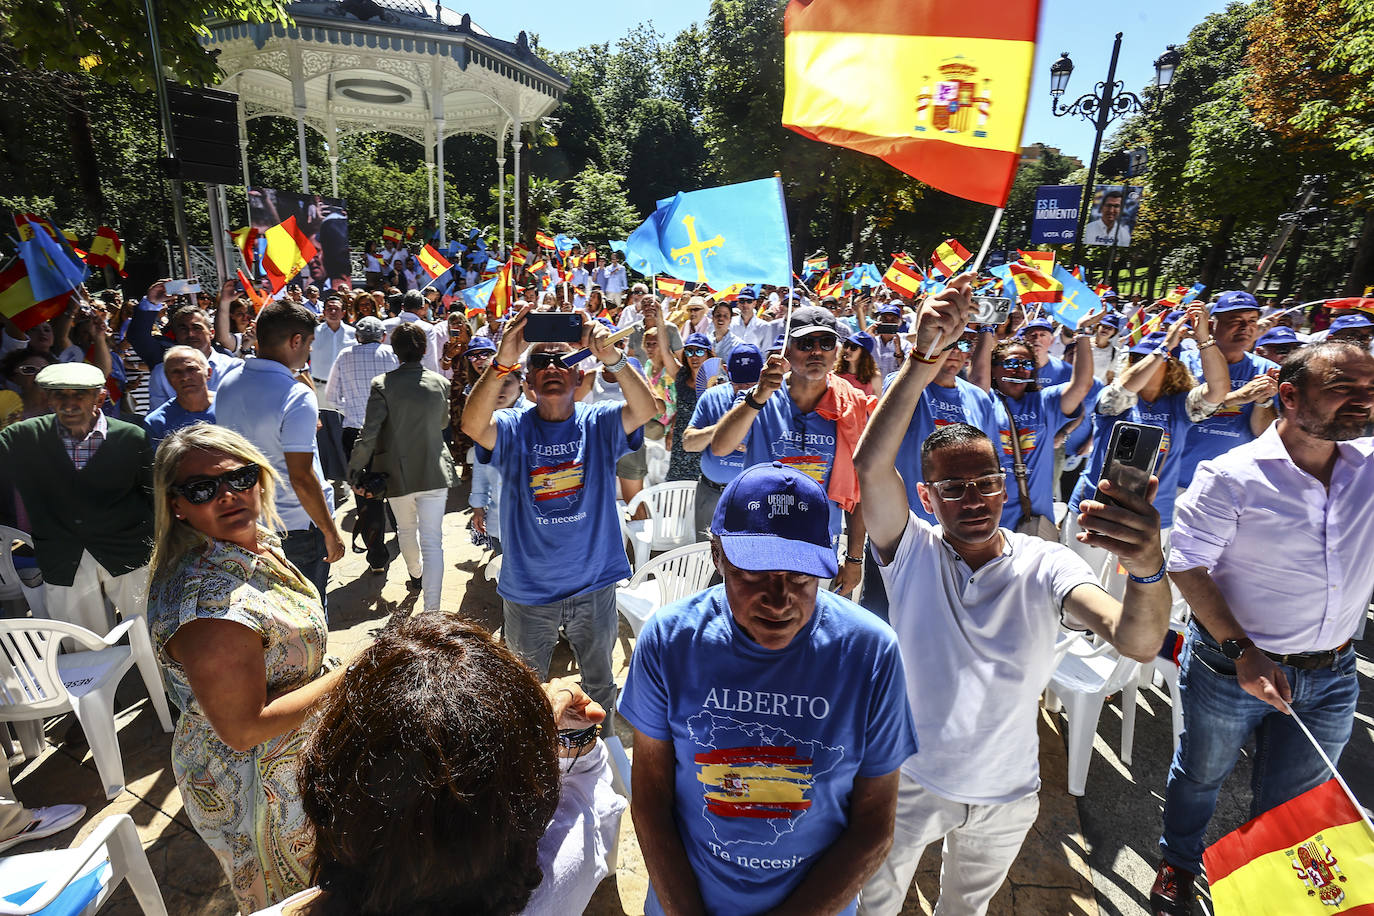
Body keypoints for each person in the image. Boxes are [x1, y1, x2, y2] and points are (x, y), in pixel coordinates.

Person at [852, 275, 1172, 916]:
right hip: (907, 783)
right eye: (954, 488)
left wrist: (1146, 566)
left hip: (1007, 795)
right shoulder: (911, 551)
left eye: (987, 483)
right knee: (876, 906)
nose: (973, 500)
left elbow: (1136, 640)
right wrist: (922, 362)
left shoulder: (1045, 564)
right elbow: (868, 466)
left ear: (1004, 487)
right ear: (926, 497)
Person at [621, 461, 919, 916]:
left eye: (800, 577)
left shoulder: (871, 653)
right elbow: (650, 800)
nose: (779, 601)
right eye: (753, 575)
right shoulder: (670, 640)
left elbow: (875, 826)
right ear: (717, 556)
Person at [1148, 341, 1374, 915]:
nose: (1362, 401)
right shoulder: (1231, 476)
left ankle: (1272, 893)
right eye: (1343, 388)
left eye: (1370, 390)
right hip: (1232, 668)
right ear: (1290, 397)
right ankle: (1178, 860)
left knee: (1295, 801)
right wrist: (1243, 650)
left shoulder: (1369, 467)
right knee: (1201, 775)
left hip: (1333, 672)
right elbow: (1186, 566)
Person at [250, 614, 625, 916]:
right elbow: (590, 788)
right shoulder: (560, 878)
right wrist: (560, 724)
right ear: (527, 805)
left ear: (328, 789)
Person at [146, 424, 343, 914]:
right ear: (177, 504)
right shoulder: (209, 606)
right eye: (202, 488)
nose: (228, 495)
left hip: (293, 763)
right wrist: (356, 672)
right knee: (292, 901)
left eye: (239, 477)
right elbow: (243, 729)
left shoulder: (248, 544)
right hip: (258, 793)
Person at [461, 304, 657, 723]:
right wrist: (502, 359)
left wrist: (613, 359)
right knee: (524, 692)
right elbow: (473, 426)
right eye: (540, 362)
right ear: (528, 381)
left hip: (594, 586)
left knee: (600, 685)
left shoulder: (600, 422)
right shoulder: (512, 427)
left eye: (561, 360)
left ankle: (598, 763)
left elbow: (646, 410)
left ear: (579, 375)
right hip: (530, 592)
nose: (551, 367)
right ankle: (532, 770)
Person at [711, 305, 871, 597]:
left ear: (836, 352)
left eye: (826, 343)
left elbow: (859, 491)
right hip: (756, 545)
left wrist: (854, 559)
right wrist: (757, 398)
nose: (816, 352)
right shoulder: (761, 396)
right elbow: (721, 446)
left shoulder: (853, 406)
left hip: (817, 549)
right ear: (786, 350)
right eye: (806, 343)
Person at [1064, 310, 1234, 584]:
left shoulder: (1180, 405)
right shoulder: (1114, 399)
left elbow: (1218, 389)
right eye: (1136, 357)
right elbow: (1125, 387)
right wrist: (1164, 347)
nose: (1140, 363)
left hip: (1148, 516)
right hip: (1096, 507)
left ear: (1173, 365)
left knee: (1126, 591)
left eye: (1149, 358)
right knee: (1080, 582)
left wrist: (1204, 339)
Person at [0, 362, 153, 633]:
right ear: (48, 398)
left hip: (128, 552)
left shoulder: (131, 436)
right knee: (82, 648)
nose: (69, 403)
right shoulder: (22, 437)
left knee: (151, 632)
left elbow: (152, 496)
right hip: (63, 557)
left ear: (100, 398)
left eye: (79, 394)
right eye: (59, 394)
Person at [215, 301, 345, 610]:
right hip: (297, 527)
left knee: (265, 613)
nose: (308, 353)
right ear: (295, 341)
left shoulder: (227, 384)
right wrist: (330, 531)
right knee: (308, 613)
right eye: (309, 344)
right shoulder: (295, 394)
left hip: (248, 523)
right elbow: (301, 475)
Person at [345, 323, 458, 610]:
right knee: (433, 540)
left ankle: (416, 576)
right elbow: (443, 423)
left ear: (394, 351)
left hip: (395, 472)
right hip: (433, 468)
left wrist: (354, 470)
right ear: (424, 349)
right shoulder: (440, 383)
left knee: (406, 530)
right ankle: (432, 610)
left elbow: (369, 433)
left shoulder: (382, 384)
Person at [973, 313, 1100, 531]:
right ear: (993, 369)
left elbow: (1081, 385)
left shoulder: (1045, 401)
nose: (1020, 369)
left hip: (1034, 519)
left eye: (1027, 364)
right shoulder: (984, 401)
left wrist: (1083, 333)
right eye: (1011, 362)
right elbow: (977, 380)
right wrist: (986, 327)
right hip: (989, 518)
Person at [1174, 290, 1279, 490]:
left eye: (1252, 321)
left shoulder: (1267, 371)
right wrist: (1239, 397)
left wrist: (1262, 401)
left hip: (1231, 487)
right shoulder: (1182, 364)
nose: (1245, 327)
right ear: (1213, 325)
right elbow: (1174, 412)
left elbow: (1266, 435)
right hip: (1177, 480)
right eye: (1236, 320)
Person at [682, 344, 763, 539]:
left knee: (747, 561)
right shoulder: (711, 397)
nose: (745, 389)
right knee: (705, 555)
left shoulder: (772, 399)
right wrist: (723, 432)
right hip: (711, 493)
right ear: (726, 372)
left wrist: (752, 447)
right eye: (739, 383)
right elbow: (688, 443)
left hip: (752, 496)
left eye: (751, 383)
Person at [131, 282, 242, 407]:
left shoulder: (233, 367)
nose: (190, 334)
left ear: (211, 333)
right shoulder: (163, 367)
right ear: (176, 334)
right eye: (183, 329)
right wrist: (151, 302)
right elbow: (138, 337)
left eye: (197, 327)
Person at [144, 346, 215, 449]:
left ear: (208, 373)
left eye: (191, 369)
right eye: (176, 372)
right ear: (167, 378)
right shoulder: (156, 423)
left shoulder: (232, 406)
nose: (185, 377)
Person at [309, 293, 355, 391]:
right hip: (319, 387)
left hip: (346, 387)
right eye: (329, 309)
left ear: (343, 313)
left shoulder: (353, 334)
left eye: (337, 309)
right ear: (324, 312)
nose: (333, 312)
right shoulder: (313, 333)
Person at [1017, 318, 1072, 388]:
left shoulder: (1066, 370)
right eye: (1032, 334)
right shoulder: (1015, 367)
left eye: (1042, 335)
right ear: (1024, 339)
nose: (1037, 339)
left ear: (1052, 340)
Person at [837, 331, 881, 396]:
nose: (847, 350)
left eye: (853, 347)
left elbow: (879, 403)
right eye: (846, 345)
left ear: (864, 353)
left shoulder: (874, 377)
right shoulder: (835, 374)